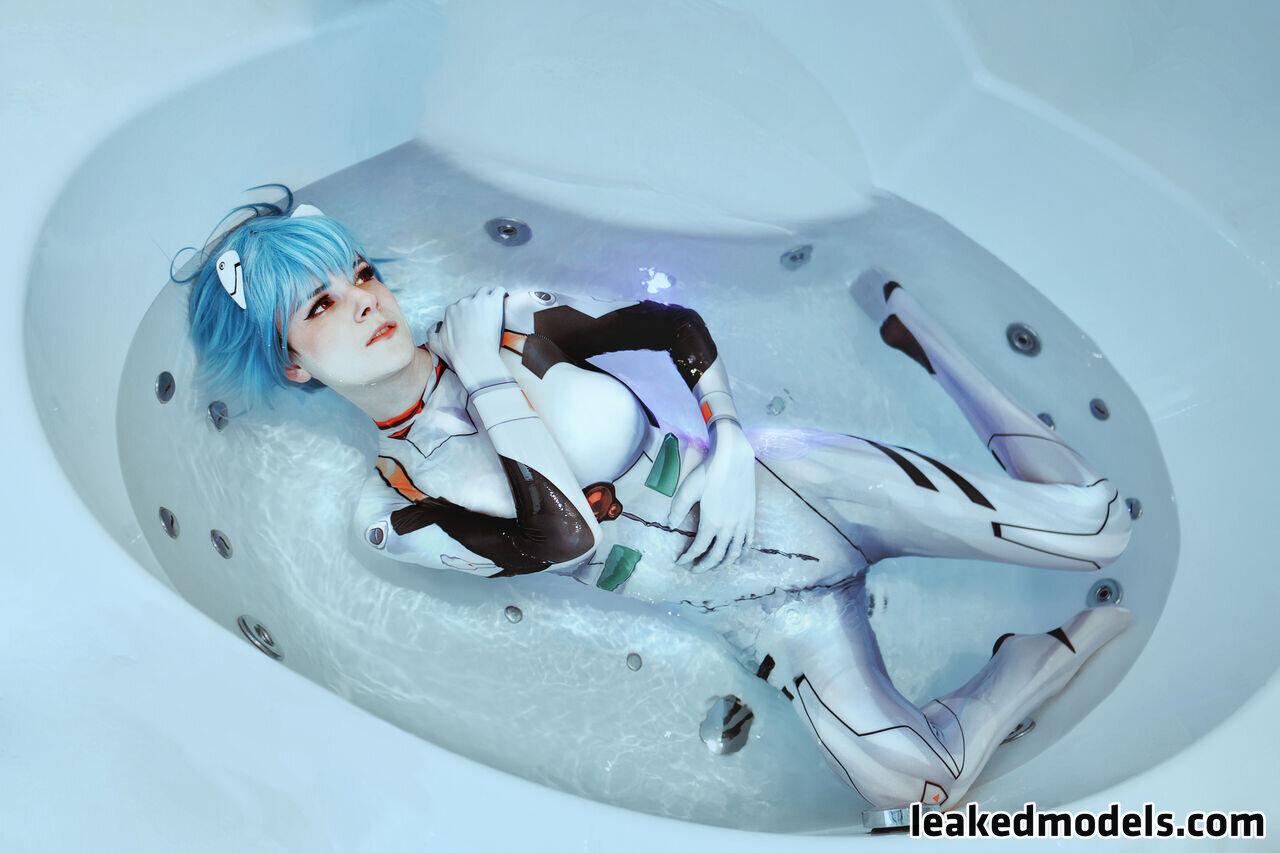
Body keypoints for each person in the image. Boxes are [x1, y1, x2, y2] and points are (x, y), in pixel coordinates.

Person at [183, 191, 1133, 812]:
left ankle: (927, 344)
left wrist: (729, 439)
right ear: (292, 365)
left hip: (792, 491)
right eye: (320, 305)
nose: (363, 300)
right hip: (760, 608)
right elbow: (562, 537)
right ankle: (1033, 659)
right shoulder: (394, 506)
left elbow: (672, 324)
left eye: (359, 273)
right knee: (918, 790)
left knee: (1100, 526)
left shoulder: (501, 320)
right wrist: (486, 381)